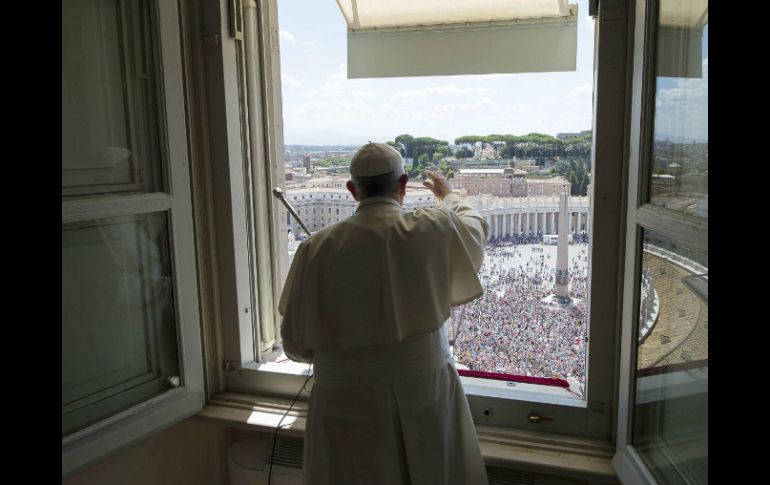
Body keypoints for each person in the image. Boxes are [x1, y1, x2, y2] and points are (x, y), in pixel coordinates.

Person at [279, 142, 490, 485]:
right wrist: (448, 196)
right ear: (403, 184)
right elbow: (475, 228)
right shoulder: (432, 227)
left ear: (352, 190)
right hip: (425, 396)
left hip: (343, 406)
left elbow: (296, 346)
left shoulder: (314, 249)